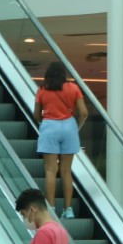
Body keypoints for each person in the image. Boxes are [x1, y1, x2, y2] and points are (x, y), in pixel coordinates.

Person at [34, 62, 89, 219]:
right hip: (69, 126)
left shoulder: (42, 89)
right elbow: (84, 112)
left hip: (49, 126)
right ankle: (68, 209)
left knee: (51, 170)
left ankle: (51, 208)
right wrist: (76, 127)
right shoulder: (73, 88)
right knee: (66, 171)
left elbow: (36, 113)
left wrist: (42, 122)